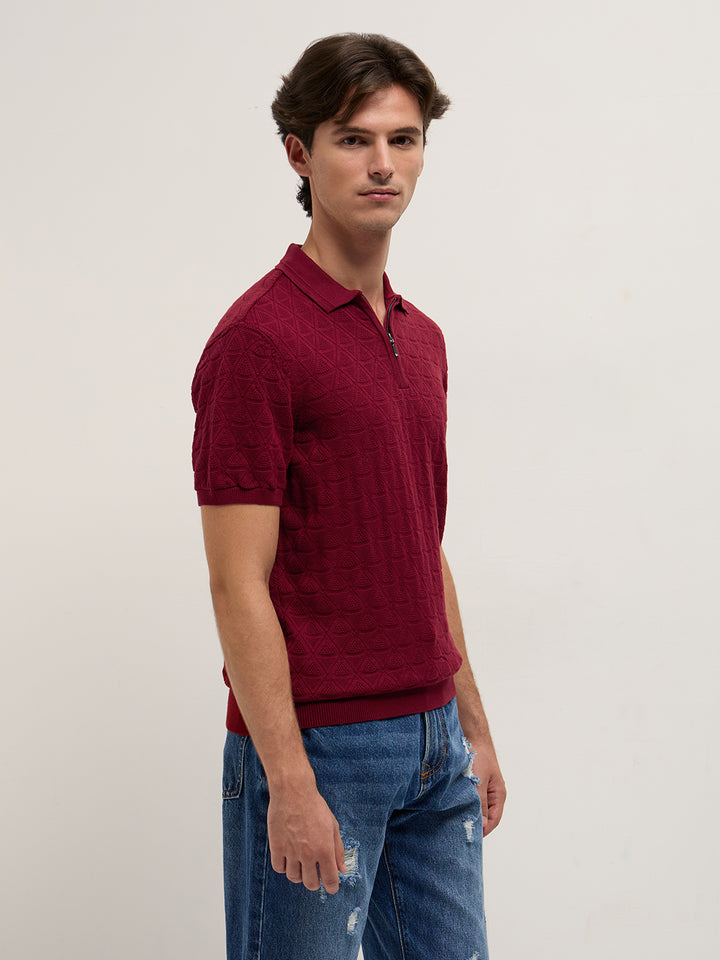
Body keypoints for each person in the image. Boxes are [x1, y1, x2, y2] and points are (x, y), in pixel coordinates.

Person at [191, 32, 506, 960]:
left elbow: (419, 542)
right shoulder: (259, 341)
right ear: (300, 153)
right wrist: (288, 778)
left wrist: (472, 725)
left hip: (434, 743)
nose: (382, 165)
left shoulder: (423, 337)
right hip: (323, 748)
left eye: (403, 140)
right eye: (354, 139)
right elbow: (236, 580)